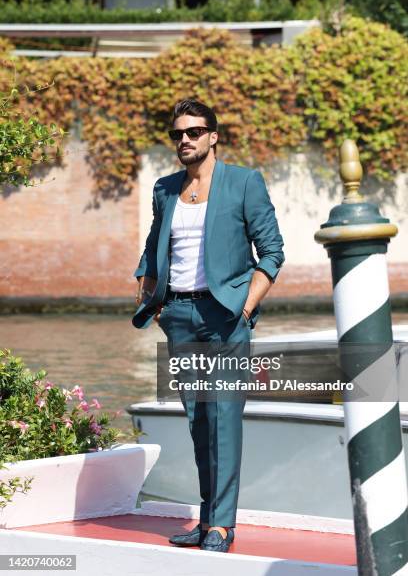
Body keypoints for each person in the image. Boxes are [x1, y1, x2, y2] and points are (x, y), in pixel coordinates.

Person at [132, 98, 284, 552]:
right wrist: (151, 298)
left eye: (194, 131)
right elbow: (152, 249)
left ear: (213, 135)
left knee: (224, 419)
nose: (184, 140)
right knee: (199, 422)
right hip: (178, 316)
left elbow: (272, 253)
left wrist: (243, 309)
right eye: (177, 133)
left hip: (223, 316)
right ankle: (206, 521)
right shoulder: (164, 189)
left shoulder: (243, 183)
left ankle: (222, 526)